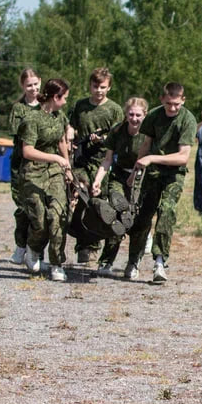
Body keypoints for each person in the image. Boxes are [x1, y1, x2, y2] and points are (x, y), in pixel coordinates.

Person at [126, 82, 196, 284]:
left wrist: (152, 159)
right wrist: (135, 171)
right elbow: (145, 146)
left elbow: (183, 157)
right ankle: (133, 260)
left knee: (166, 211)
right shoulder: (154, 116)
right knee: (142, 217)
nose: (172, 108)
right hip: (152, 174)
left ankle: (159, 261)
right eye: (168, 104)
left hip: (174, 175)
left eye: (176, 104)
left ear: (183, 100)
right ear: (162, 100)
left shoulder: (187, 120)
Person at [16, 78, 72, 281]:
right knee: (39, 220)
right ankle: (32, 248)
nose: (66, 101)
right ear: (55, 97)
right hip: (33, 173)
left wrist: (66, 166)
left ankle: (56, 263)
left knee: (58, 215)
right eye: (64, 97)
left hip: (55, 173)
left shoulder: (59, 116)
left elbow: (61, 141)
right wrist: (55, 158)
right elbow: (27, 151)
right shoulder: (32, 119)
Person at [68, 67, 124, 265]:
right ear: (89, 86)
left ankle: (97, 247)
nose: (98, 90)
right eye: (95, 86)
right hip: (82, 161)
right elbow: (72, 126)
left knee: (100, 205)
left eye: (102, 87)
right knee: (82, 202)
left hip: (104, 162)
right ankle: (84, 246)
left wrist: (103, 139)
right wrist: (71, 136)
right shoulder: (80, 106)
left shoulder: (114, 110)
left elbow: (120, 135)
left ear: (108, 88)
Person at [90, 97, 148, 273]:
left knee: (138, 219)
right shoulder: (117, 130)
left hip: (141, 177)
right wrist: (98, 180)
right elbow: (107, 160)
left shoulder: (149, 133)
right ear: (126, 113)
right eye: (131, 114)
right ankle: (107, 260)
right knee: (115, 215)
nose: (134, 118)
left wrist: (136, 175)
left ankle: (133, 262)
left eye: (138, 115)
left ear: (145, 115)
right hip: (119, 175)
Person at [7, 69, 42, 267]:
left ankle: (35, 251)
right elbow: (17, 135)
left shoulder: (46, 106)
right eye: (29, 85)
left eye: (36, 84)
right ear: (23, 86)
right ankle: (21, 246)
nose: (33, 88)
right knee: (23, 209)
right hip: (21, 165)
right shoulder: (18, 109)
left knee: (40, 211)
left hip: (42, 164)